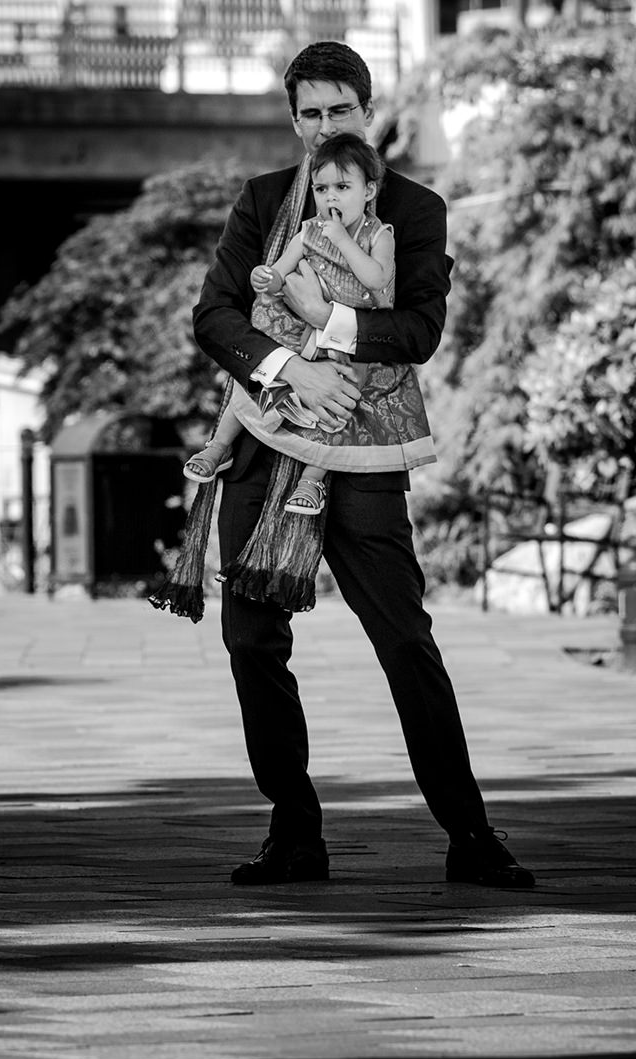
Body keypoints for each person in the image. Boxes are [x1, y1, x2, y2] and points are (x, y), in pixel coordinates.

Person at [191, 40, 534, 889]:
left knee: (404, 639)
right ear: (294, 120)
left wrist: (333, 332)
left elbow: (417, 329)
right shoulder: (263, 201)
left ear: (367, 113)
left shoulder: (413, 209)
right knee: (250, 641)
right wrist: (290, 366)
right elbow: (215, 315)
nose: (323, 128)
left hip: (368, 449)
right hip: (269, 442)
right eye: (308, 113)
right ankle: (295, 832)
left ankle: (469, 831)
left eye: (339, 111)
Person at [184, 133, 435, 517]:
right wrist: (268, 278)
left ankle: (311, 479)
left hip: (354, 334)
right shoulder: (310, 230)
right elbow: (281, 270)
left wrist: (340, 239)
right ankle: (218, 446)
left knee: (344, 398)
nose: (330, 197)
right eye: (321, 188)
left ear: (369, 191)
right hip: (301, 324)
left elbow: (376, 279)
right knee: (254, 372)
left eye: (342, 187)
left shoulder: (378, 236)